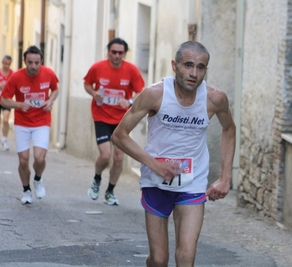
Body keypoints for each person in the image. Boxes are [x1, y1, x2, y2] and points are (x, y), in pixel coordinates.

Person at [112, 41, 236, 267]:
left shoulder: (214, 99)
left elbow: (229, 129)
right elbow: (119, 135)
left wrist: (226, 176)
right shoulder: (154, 94)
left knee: (185, 256)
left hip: (192, 182)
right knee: (159, 260)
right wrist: (155, 165)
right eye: (188, 65)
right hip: (155, 182)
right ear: (174, 65)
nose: (193, 73)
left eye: (200, 67)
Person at [84, 37, 144, 205]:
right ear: (108, 52)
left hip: (122, 120)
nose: (117, 55)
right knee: (105, 155)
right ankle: (97, 179)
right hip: (101, 116)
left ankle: (110, 191)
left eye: (120, 52)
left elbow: (141, 92)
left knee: (118, 158)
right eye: (113, 52)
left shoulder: (132, 70)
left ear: (124, 53)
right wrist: (94, 93)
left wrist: (130, 102)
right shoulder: (98, 68)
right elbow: (87, 84)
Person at [1, 46, 59, 204]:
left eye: (36, 63)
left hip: (42, 121)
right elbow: (4, 99)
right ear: (24, 62)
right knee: (23, 161)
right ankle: (26, 191)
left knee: (40, 158)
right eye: (30, 63)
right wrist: (19, 105)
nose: (33, 66)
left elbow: (55, 89)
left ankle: (38, 179)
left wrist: (50, 100)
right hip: (22, 123)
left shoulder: (48, 74)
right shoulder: (16, 77)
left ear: (41, 61)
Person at [0, 55, 14, 151]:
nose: (7, 66)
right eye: (5, 63)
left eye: (9, 64)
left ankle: (4, 139)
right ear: (2, 63)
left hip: (6, 100)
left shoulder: (13, 74)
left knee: (5, 120)